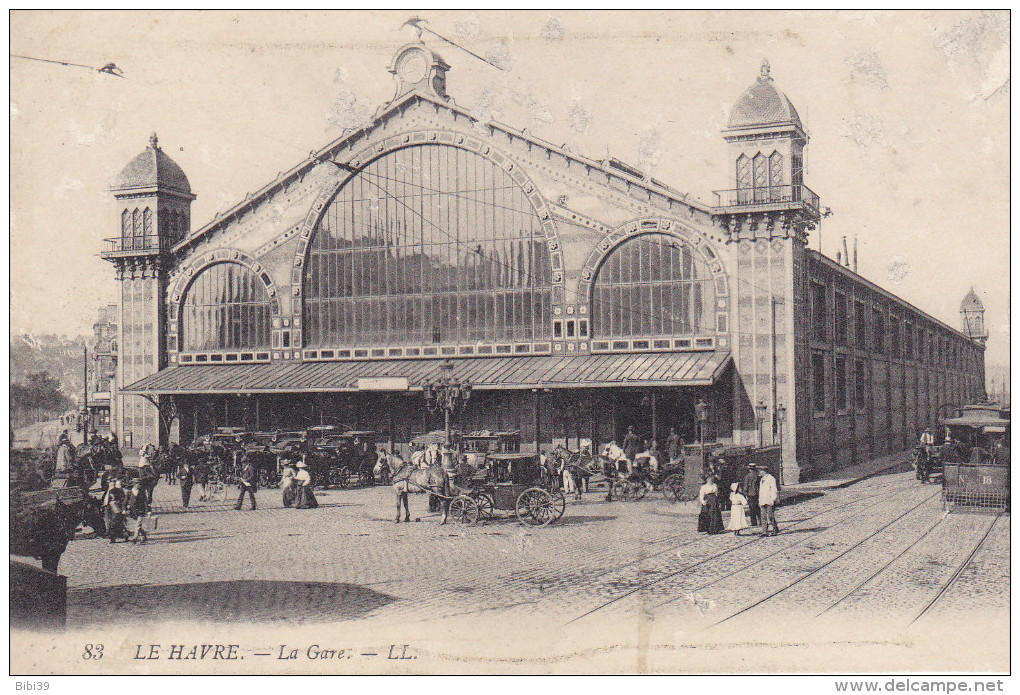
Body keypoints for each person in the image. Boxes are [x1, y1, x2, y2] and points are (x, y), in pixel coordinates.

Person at [103, 477, 129, 543]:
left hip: (117, 508)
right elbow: (105, 501)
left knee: (117, 522)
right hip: (109, 509)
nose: (111, 484)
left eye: (113, 483)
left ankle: (121, 535)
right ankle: (112, 536)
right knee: (111, 522)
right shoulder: (108, 491)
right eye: (110, 483)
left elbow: (123, 499)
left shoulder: (119, 490)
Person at [758, 465, 780, 536]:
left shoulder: (771, 478)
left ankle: (775, 529)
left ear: (764, 471)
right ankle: (764, 531)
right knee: (763, 516)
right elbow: (761, 491)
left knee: (770, 516)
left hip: (769, 500)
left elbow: (773, 489)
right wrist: (759, 500)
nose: (759, 472)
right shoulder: (762, 479)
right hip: (762, 500)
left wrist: (773, 499)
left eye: (760, 471)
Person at [741, 463, 761, 527]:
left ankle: (754, 522)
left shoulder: (748, 476)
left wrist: (745, 493)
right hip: (757, 493)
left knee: (752, 509)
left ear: (749, 469)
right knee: (758, 508)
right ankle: (761, 521)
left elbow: (746, 486)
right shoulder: (758, 475)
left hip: (750, 494)